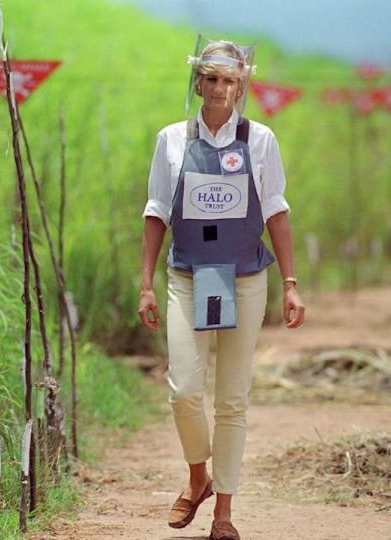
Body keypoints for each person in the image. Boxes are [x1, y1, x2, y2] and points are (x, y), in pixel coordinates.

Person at [138, 39, 305, 540]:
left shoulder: (260, 141)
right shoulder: (170, 139)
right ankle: (198, 476)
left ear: (241, 86)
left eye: (229, 80)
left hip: (244, 277)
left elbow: (276, 211)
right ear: (198, 83)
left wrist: (290, 284)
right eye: (210, 79)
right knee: (184, 390)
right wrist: (146, 284)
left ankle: (224, 515)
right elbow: (156, 213)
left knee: (232, 398)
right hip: (188, 276)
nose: (219, 89)